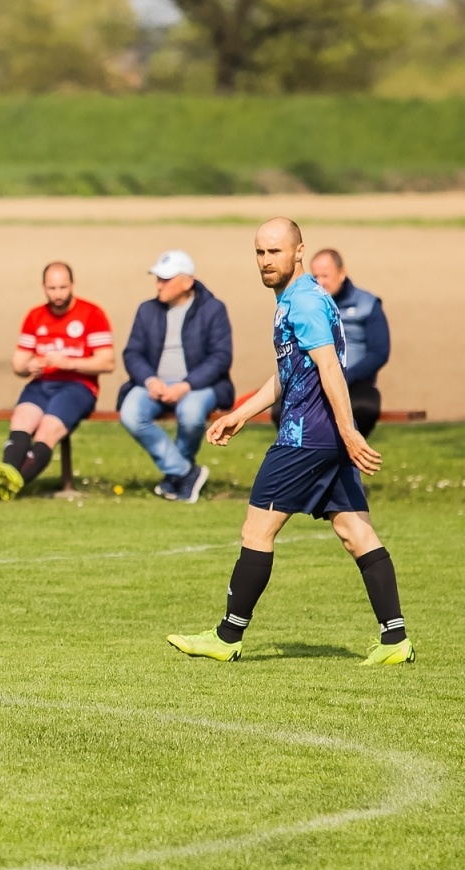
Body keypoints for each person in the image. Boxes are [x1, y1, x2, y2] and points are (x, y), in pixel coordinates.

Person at [168, 218, 414, 667]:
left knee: (256, 530)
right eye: (260, 252)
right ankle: (395, 638)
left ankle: (227, 637)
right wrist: (241, 413)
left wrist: (348, 431)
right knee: (353, 530)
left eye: (275, 252)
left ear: (299, 252)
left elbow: (330, 370)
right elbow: (289, 373)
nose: (266, 261)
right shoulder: (298, 299)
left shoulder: (302, 302)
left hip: (305, 437)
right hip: (323, 438)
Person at [0, 263, 115, 500]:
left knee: (47, 431)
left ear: (72, 285)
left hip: (78, 387)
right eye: (52, 288)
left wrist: (68, 362)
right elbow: (18, 363)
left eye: (63, 287)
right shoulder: (35, 316)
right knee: (21, 420)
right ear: (43, 287)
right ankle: (5, 479)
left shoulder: (92, 314)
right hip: (42, 385)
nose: (58, 294)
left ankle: (10, 485)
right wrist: (28, 366)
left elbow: (107, 362)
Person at [116, 249, 235, 503]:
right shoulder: (146, 310)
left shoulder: (213, 310)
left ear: (187, 282)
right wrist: (150, 380)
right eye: (158, 278)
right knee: (130, 413)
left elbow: (220, 357)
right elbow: (132, 353)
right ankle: (184, 471)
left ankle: (176, 479)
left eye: (165, 279)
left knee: (191, 414)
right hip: (154, 385)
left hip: (199, 386)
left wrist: (186, 386)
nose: (159, 284)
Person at [305, 248, 388, 438]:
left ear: (341, 273)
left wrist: (346, 376)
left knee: (365, 408)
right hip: (314, 381)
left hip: (355, 381)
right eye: (315, 276)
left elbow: (379, 352)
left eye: (325, 275)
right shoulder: (308, 307)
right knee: (281, 410)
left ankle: (350, 452)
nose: (320, 282)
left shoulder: (367, 304)